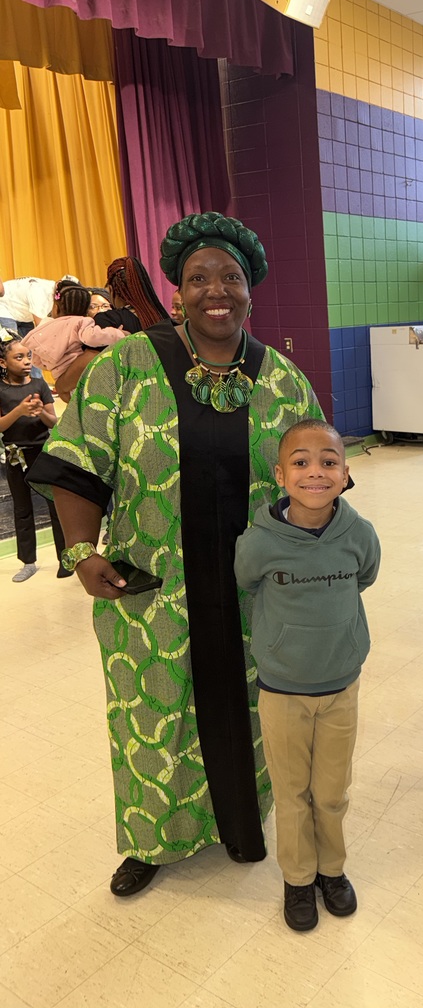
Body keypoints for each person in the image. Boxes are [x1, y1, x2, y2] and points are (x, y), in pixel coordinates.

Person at [28, 211, 324, 897]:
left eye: (230, 276)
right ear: (177, 290)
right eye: (198, 278)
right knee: (152, 715)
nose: (215, 289)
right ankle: (151, 841)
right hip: (153, 590)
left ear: (251, 289)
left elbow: (318, 484)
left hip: (258, 596)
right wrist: (79, 552)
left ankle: (244, 823)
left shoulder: (281, 380)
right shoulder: (127, 367)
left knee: (254, 712)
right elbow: (76, 465)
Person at [234, 419, 380, 932]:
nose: (314, 472)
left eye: (328, 461)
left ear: (344, 474)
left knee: (332, 791)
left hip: (341, 685)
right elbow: (248, 582)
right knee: (293, 791)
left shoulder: (358, 534)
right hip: (283, 690)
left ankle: (331, 871)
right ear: (280, 473)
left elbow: (365, 576)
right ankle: (298, 880)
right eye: (300, 462)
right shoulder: (258, 541)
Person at [0, 328, 67, 581]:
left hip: (42, 451)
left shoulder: (40, 385)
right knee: (22, 507)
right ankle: (28, 561)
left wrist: (40, 411)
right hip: (15, 454)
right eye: (19, 358)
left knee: (55, 505)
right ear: (3, 363)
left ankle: (66, 557)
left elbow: (53, 422)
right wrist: (19, 410)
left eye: (28, 356)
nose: (26, 361)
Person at [54, 257, 168, 400]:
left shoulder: (109, 321)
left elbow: (89, 359)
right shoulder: (166, 322)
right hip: (164, 402)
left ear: (112, 291)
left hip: (126, 406)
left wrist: (61, 386)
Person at [25, 284, 128, 386]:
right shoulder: (80, 322)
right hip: (81, 375)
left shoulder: (45, 327)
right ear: (86, 310)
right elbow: (92, 337)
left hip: (59, 377)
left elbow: (36, 360)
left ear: (56, 308)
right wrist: (118, 333)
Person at [0, 275, 80, 379]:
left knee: (31, 349)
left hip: (23, 314)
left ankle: (37, 382)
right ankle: (11, 383)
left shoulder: (57, 295)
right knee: (11, 348)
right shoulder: (39, 291)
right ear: (58, 284)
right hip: (5, 308)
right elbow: (41, 329)